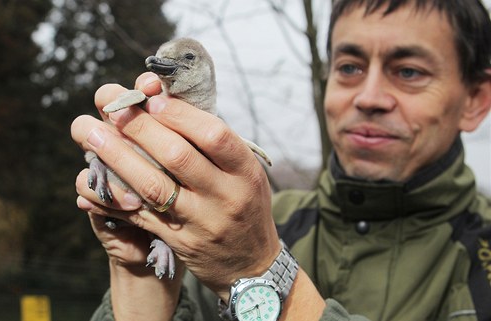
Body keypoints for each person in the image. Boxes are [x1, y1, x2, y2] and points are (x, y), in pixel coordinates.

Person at [70, 0, 491, 320]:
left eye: (409, 72)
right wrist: (135, 264)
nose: (368, 98)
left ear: (475, 100)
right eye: (349, 67)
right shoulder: (232, 218)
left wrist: (257, 269)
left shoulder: (244, 233)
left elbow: (249, 259)